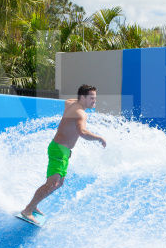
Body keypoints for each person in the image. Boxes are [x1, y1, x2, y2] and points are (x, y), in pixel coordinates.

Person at [19, 84, 106, 221]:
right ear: (82, 97)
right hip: (59, 150)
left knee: (59, 183)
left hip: (62, 150)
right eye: (91, 98)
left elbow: (68, 101)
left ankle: (33, 205)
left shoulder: (71, 103)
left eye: (95, 98)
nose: (94, 101)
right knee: (51, 184)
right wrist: (99, 138)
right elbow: (82, 132)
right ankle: (28, 210)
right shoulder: (81, 113)